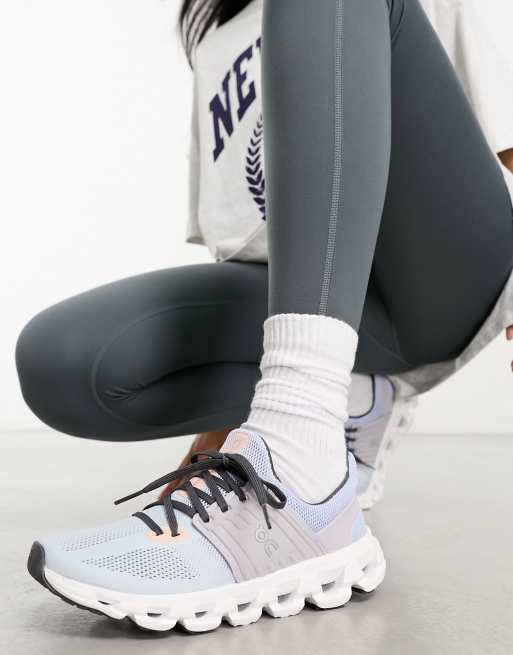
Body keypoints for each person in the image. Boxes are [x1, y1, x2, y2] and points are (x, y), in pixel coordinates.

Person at [18, 0, 513, 632]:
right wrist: (237, 442)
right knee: (64, 360)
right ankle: (344, 407)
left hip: (440, 277)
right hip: (323, 304)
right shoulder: (213, 30)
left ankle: (302, 471)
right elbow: (245, 232)